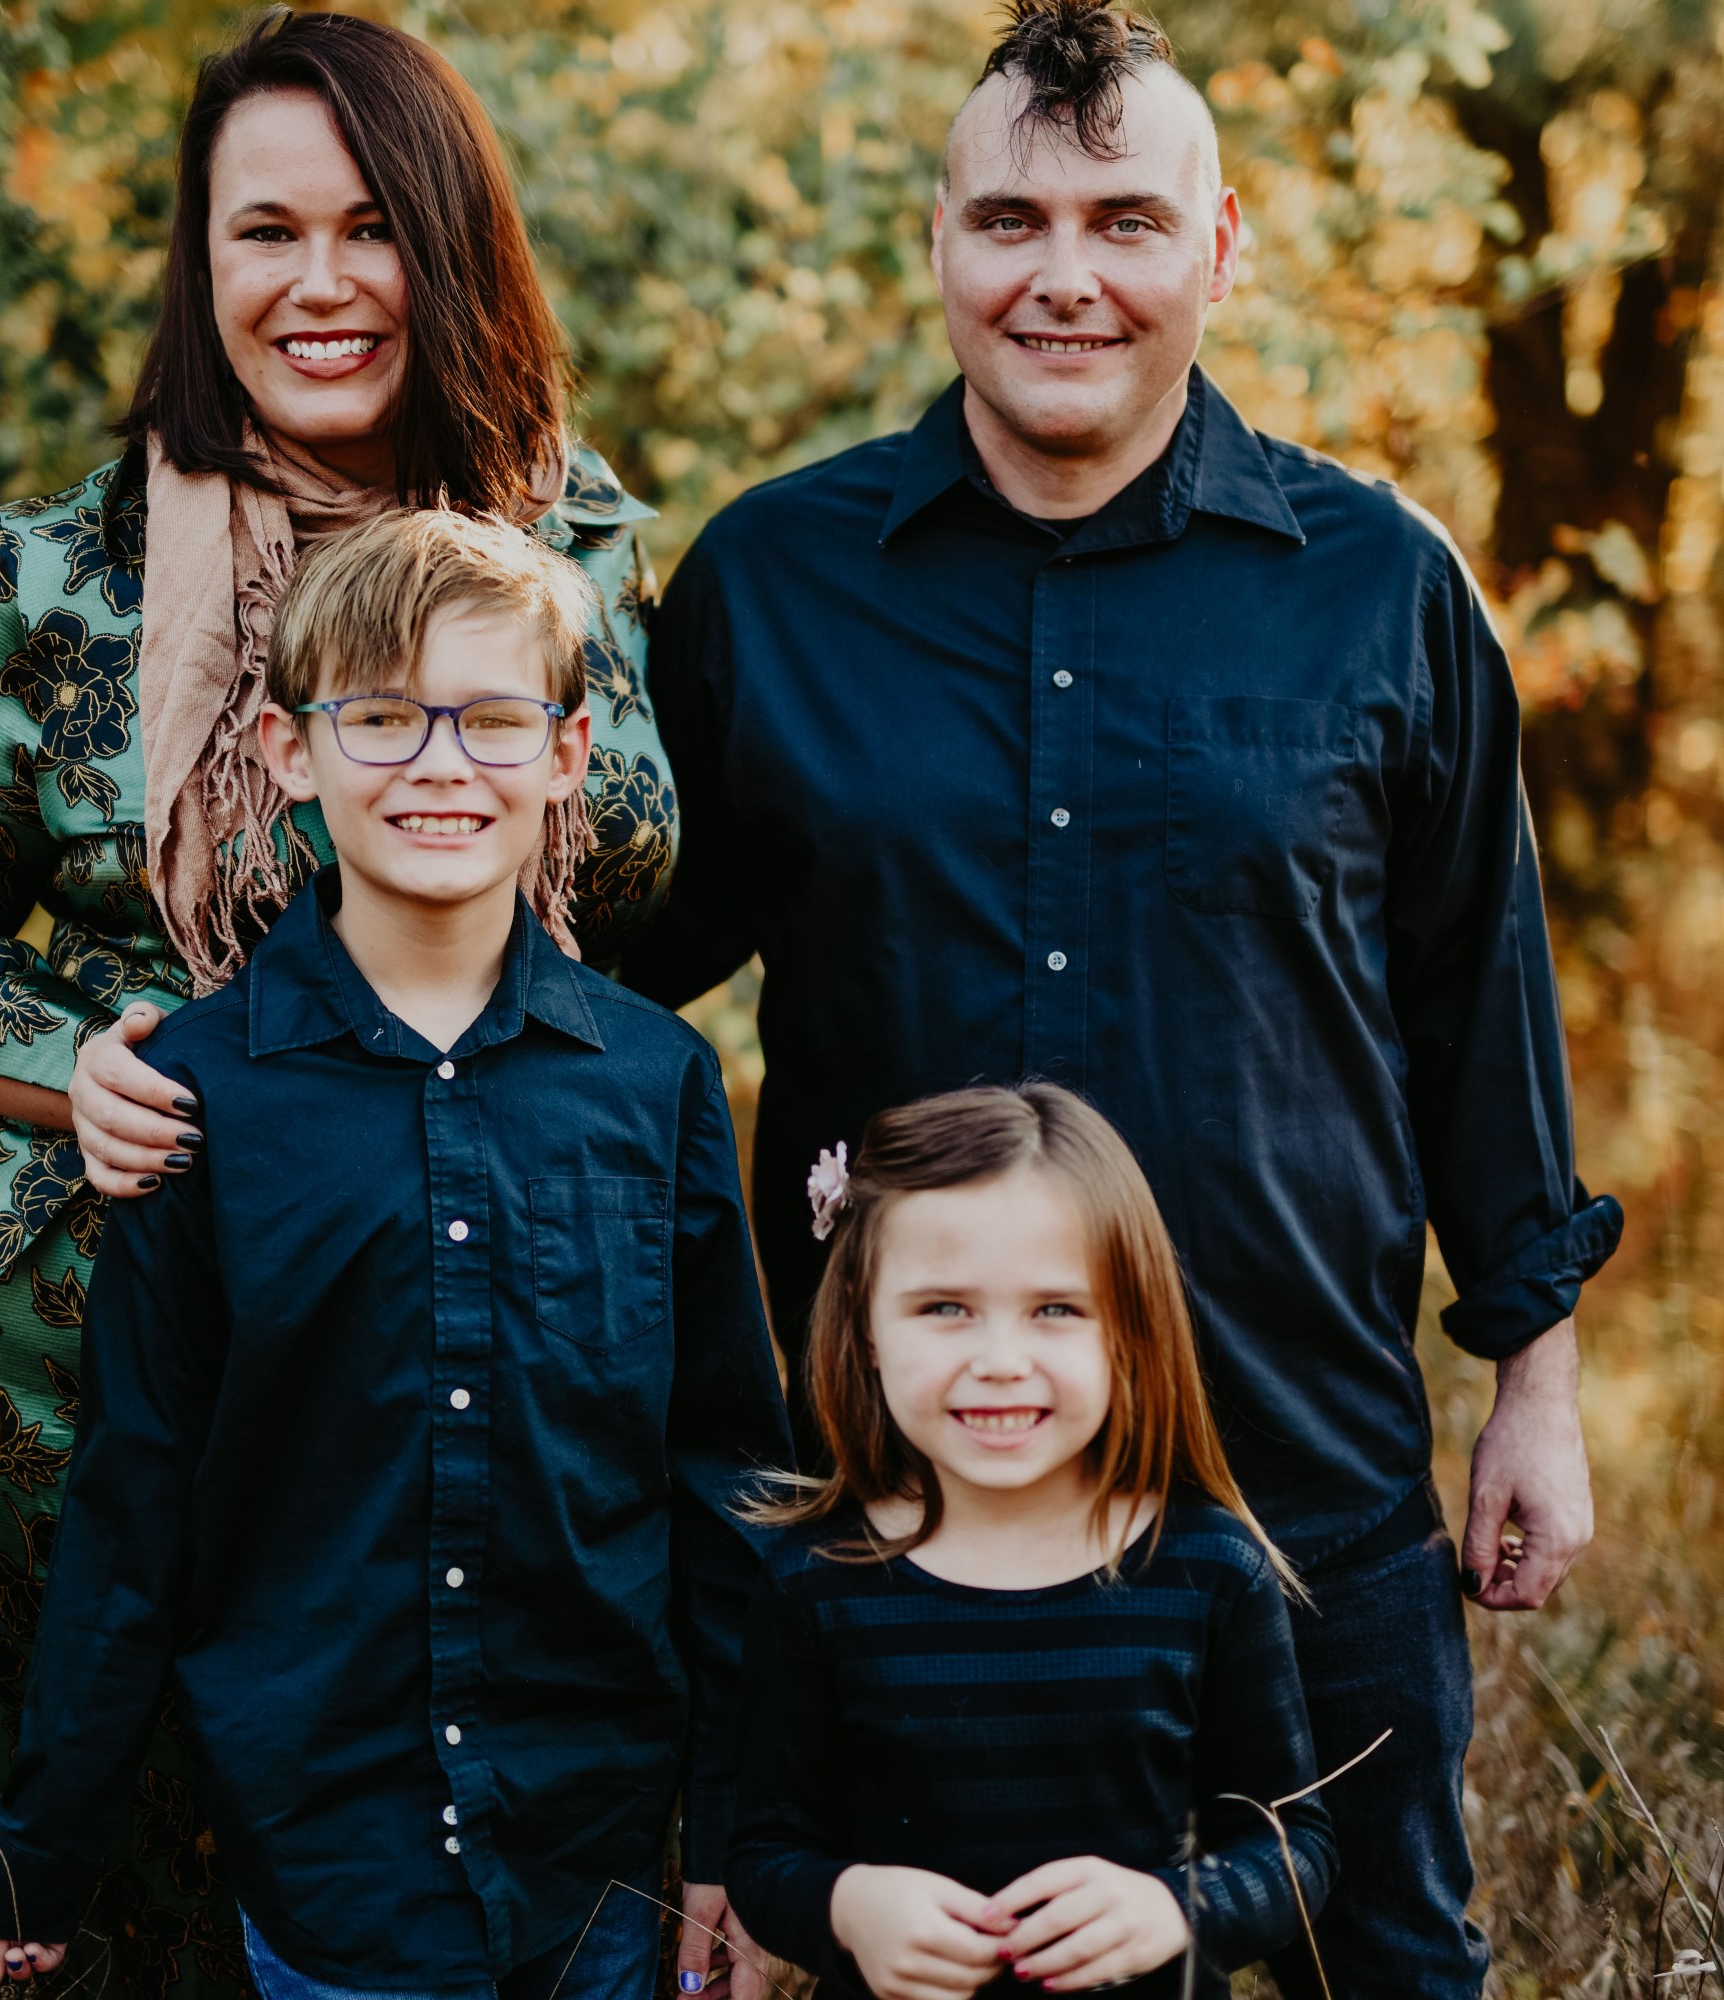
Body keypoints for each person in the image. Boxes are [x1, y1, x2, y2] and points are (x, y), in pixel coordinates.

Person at [619, 2, 1624, 1994]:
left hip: (1305, 1490)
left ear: (1218, 247)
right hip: (902, 1530)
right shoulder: (766, 586)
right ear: (937, 242)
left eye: (1125, 221)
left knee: (1387, 1964)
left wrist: (1537, 1384)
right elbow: (605, 1002)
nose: (1062, 276)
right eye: (1010, 220)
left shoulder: (1383, 586)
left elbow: (1477, 1006)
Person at [0, 14, 676, 1994]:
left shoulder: (575, 545)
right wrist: (71, 1068)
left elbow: (633, 920)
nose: (320, 283)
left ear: (449, 251)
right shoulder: (53, 585)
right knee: (101, 1914)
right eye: (265, 231)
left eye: (373, 229)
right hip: (116, 1383)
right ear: (200, 264)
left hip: (487, 1377)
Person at [0, 508, 790, 2000]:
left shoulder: (656, 1083)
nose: (440, 764)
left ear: (568, 754)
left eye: (493, 719)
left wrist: (737, 1829)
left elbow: (723, 1475)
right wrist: (39, 1839)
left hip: (594, 1851)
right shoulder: (196, 1092)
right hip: (327, 1853)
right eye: (381, 718)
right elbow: (140, 1490)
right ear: (286, 749)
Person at [726, 1084, 1335, 2000]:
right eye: (945, 1308)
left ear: (1129, 1329)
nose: (1001, 1361)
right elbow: (768, 1853)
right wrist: (849, 1906)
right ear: (865, 1327)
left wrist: (1176, 1909)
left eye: (1056, 1309)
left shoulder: (1208, 1571)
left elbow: (1294, 1847)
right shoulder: (816, 1581)